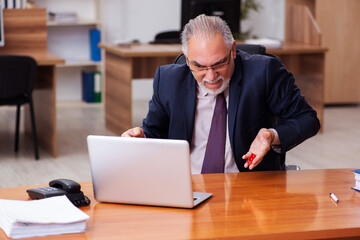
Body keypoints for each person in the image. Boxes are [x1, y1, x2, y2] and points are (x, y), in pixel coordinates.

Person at [121, 14, 320, 173]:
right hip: (187, 184)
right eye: (199, 66)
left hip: (247, 187)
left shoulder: (264, 72)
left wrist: (271, 135)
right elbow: (156, 131)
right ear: (187, 59)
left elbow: (307, 119)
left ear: (233, 50)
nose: (211, 76)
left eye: (219, 64)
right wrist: (143, 137)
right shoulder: (168, 80)